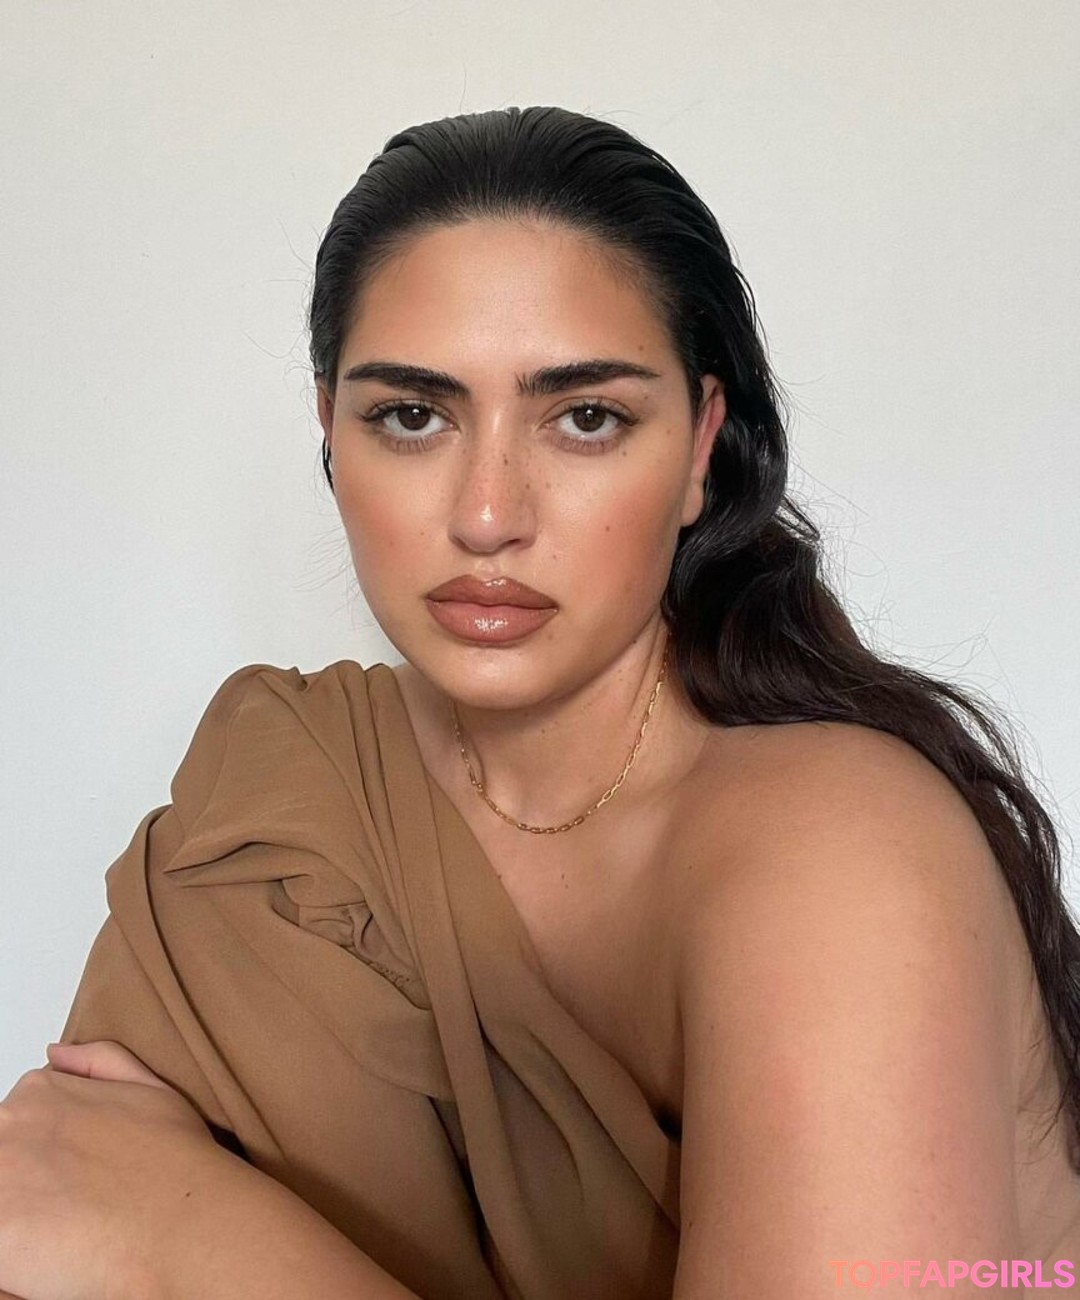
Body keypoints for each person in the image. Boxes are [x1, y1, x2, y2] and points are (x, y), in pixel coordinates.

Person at [1, 104, 1078, 1300]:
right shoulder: (284, 804)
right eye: (413, 416)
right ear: (329, 432)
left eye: (585, 418)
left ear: (701, 448)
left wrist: (187, 1243)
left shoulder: (841, 857)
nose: (487, 515)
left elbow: (103, 1222)